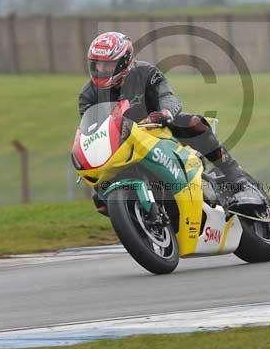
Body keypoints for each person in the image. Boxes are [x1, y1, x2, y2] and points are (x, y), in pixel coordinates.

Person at [78, 31, 247, 215]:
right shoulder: (88, 95)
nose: (101, 70)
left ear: (123, 62)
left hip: (159, 127)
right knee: (101, 201)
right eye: (97, 65)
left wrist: (165, 112)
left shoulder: (146, 73)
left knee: (193, 123)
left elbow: (168, 97)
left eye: (107, 65)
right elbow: (92, 129)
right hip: (123, 144)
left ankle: (234, 174)